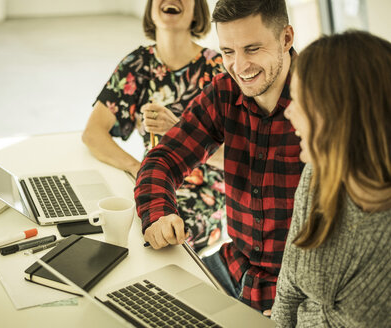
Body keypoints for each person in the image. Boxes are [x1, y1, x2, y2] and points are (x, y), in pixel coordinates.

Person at [134, 0, 304, 312]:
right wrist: (159, 214)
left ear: (286, 38)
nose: (239, 66)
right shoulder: (226, 90)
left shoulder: (322, 100)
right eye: (228, 51)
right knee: (147, 303)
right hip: (234, 270)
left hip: (291, 294)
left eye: (252, 49)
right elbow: (163, 159)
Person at [82, 0, 228, 252]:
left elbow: (238, 157)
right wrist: (138, 168)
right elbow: (93, 133)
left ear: (197, 10)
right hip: (155, 180)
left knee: (168, 238)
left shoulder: (218, 69)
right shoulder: (138, 64)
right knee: (101, 224)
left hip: (205, 191)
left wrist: (179, 129)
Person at [271, 30, 391, 327]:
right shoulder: (318, 172)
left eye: (299, 101)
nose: (288, 113)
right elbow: (288, 285)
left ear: (337, 114)